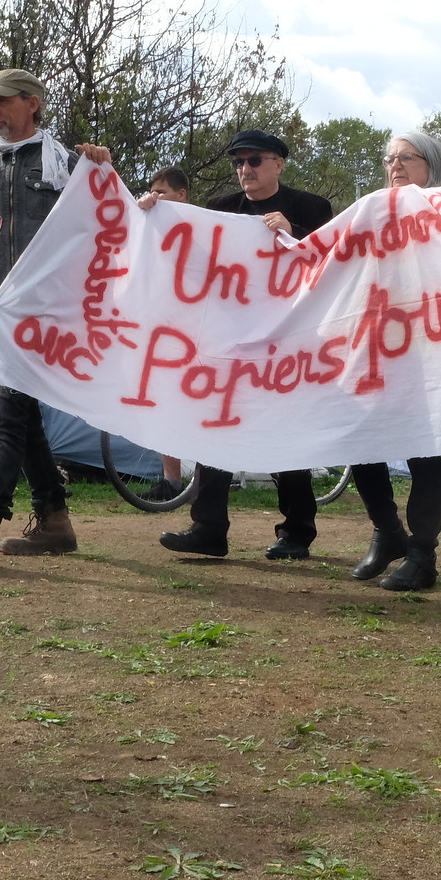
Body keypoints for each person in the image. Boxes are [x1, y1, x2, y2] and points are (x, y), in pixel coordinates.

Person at [0, 69, 113, 571]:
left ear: (31, 104)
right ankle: (54, 522)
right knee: (22, 416)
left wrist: (105, 172)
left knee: (7, 414)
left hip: (48, 314)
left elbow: (112, 224)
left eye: (3, 101)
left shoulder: (69, 165)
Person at [155, 129, 334, 561]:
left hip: (289, 346)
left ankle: (297, 531)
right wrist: (149, 215)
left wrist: (297, 233)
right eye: (238, 162)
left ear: (279, 163)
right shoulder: (220, 211)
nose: (244, 170)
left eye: (254, 160)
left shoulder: (312, 207)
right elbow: (188, 257)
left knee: (283, 437)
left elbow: (334, 261)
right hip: (232, 343)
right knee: (216, 431)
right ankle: (209, 528)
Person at [347, 130, 441, 592]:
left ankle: (423, 553)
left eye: (406, 158)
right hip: (377, 351)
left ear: (430, 165)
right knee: (358, 437)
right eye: (390, 158)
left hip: (433, 353)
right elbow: (332, 262)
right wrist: (288, 238)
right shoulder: (370, 213)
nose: (395, 165)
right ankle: (387, 529)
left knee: (426, 451)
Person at [137, 166, 194, 501]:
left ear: (181, 195)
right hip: (163, 328)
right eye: (153, 191)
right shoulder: (154, 221)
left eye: (162, 192)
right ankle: (171, 480)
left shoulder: (204, 223)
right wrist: (143, 207)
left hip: (196, 330)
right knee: (162, 403)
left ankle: (212, 476)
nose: (155, 197)